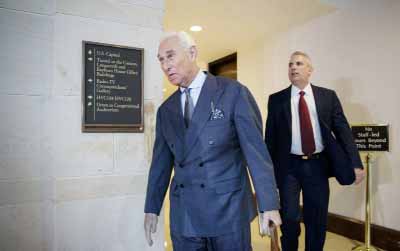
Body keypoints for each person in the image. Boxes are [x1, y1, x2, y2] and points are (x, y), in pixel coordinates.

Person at [144, 31, 281, 251]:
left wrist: (269, 205)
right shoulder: (166, 111)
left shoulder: (233, 93)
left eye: (170, 56)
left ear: (192, 52)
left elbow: (256, 153)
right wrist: (151, 207)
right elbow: (160, 163)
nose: (165, 65)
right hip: (185, 214)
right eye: (161, 60)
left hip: (228, 210)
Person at [265, 51, 365, 251]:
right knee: (290, 219)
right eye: (290, 64)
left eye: (299, 63)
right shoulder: (277, 100)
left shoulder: (327, 97)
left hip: (317, 165)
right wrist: (267, 176)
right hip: (288, 168)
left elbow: (343, 131)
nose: (293, 67)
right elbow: (270, 140)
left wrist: (355, 163)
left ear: (310, 70)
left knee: (317, 220)